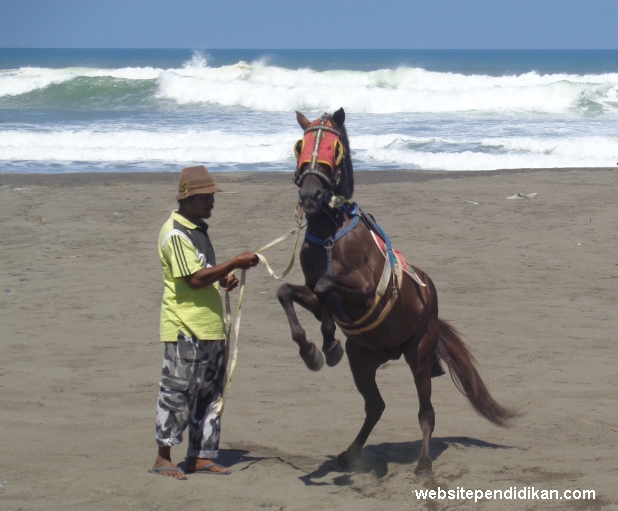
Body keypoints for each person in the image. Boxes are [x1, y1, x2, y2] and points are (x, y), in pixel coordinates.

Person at [150, 165, 259, 479]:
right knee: (177, 392)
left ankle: (200, 455)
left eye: (211, 197)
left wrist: (222, 279)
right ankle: (163, 456)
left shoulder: (197, 230)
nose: (211, 202)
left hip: (211, 327)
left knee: (211, 395)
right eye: (204, 198)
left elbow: (203, 272)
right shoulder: (175, 233)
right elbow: (194, 278)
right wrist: (234, 262)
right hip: (186, 327)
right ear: (186, 199)